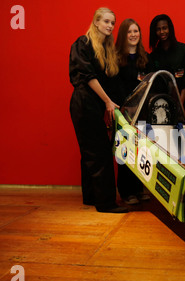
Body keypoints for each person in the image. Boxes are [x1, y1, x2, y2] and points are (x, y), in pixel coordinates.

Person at [69, 7, 128, 213]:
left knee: (90, 152)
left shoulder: (106, 50)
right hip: (84, 102)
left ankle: (91, 197)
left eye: (113, 22)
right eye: (106, 21)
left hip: (95, 103)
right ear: (96, 22)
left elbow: (112, 82)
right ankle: (105, 203)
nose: (110, 26)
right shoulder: (82, 43)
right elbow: (88, 77)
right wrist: (108, 102)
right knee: (99, 152)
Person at [115, 18, 151, 205]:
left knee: (141, 151)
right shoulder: (115, 58)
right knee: (124, 152)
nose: (133, 35)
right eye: (129, 32)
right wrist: (125, 107)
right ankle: (126, 192)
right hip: (124, 113)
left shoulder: (145, 58)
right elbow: (115, 85)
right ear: (123, 35)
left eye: (136, 31)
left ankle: (138, 189)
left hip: (143, 113)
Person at [149, 14, 185, 121]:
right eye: (158, 29)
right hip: (161, 107)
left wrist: (179, 105)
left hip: (182, 104)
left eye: (164, 28)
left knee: (182, 136)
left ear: (170, 28)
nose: (162, 32)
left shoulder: (184, 50)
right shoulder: (153, 55)